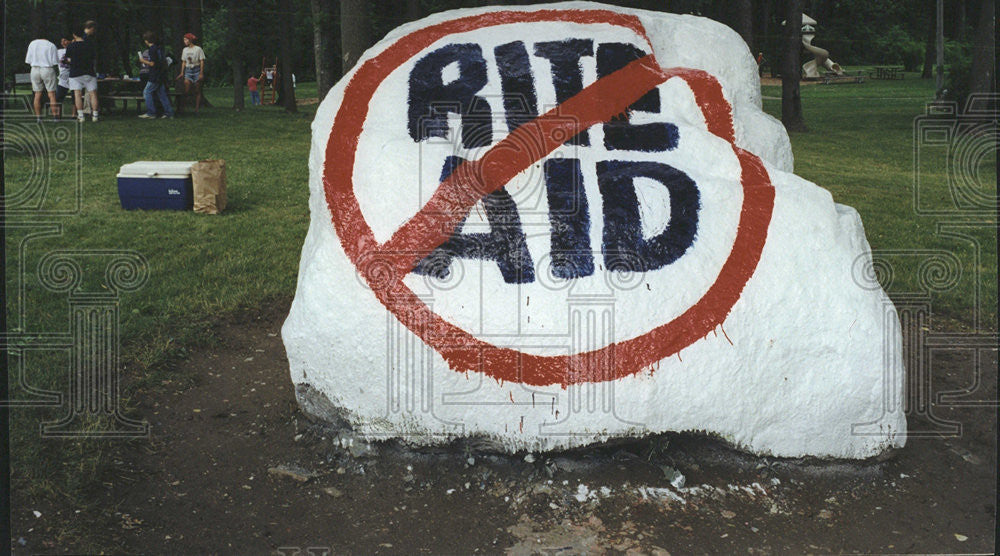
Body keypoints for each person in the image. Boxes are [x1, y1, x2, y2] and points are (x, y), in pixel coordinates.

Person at [65, 25, 99, 122]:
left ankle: (81, 116)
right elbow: (93, 57)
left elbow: (68, 59)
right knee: (93, 94)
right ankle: (95, 115)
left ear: (74, 35)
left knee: (77, 94)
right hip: (89, 72)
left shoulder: (71, 46)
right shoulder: (90, 44)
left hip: (75, 73)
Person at [138, 31, 174, 119]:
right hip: (161, 74)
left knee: (147, 92)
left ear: (147, 40)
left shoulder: (152, 50)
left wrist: (143, 61)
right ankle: (169, 112)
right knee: (162, 94)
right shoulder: (159, 48)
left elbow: (153, 64)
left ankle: (151, 112)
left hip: (155, 75)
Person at [25, 35, 60, 122]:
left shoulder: (32, 44)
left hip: (34, 69)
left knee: (37, 94)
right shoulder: (51, 45)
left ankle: (38, 118)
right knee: (52, 94)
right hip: (47, 69)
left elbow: (28, 60)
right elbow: (55, 62)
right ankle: (55, 117)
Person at [176, 33, 205, 113]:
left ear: (190, 40)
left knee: (197, 88)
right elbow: (184, 62)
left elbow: (202, 60)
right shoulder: (185, 50)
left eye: (186, 40)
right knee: (187, 87)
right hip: (188, 70)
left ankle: (197, 108)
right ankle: (183, 107)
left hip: (196, 69)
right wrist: (182, 72)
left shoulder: (198, 49)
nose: (184, 41)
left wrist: (201, 73)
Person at [55, 36, 75, 119]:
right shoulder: (58, 52)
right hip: (63, 78)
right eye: (62, 41)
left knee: (75, 96)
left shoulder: (75, 50)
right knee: (59, 97)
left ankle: (74, 114)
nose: (63, 43)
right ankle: (57, 115)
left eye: (65, 40)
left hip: (74, 76)